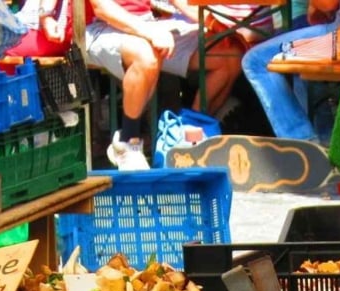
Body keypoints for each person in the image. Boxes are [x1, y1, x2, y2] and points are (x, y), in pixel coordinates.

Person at [87, 0, 251, 170]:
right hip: (99, 28)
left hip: (148, 23)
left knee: (232, 53)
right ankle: (128, 142)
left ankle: (191, 136)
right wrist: (149, 32)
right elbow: (102, 9)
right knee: (146, 56)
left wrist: (216, 26)